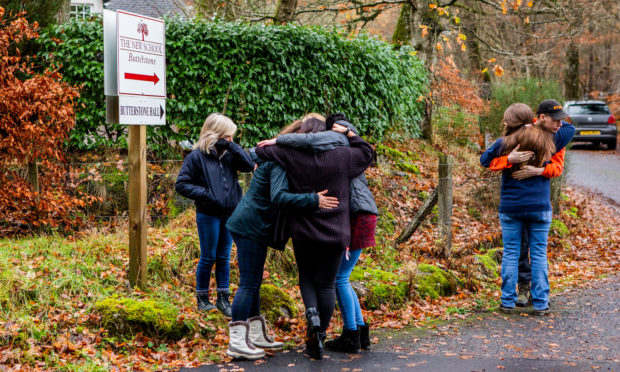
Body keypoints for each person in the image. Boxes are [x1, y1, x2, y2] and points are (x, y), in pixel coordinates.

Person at [255, 118, 374, 359]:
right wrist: (350, 134)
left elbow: (261, 150)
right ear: (327, 136)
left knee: (307, 277)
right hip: (336, 231)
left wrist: (281, 140)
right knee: (328, 284)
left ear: (302, 135)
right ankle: (319, 336)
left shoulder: (289, 154)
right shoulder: (343, 156)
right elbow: (366, 153)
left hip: (304, 229)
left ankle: (311, 313)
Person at [224, 121, 340, 360]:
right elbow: (279, 196)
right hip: (250, 226)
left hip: (253, 226)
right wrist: (313, 200)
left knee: (254, 284)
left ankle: (255, 335)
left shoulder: (283, 158)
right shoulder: (281, 161)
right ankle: (236, 342)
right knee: (248, 284)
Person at [480, 102, 574, 316]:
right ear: (535, 117)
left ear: (510, 122)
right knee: (539, 253)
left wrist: (507, 159)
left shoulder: (503, 143)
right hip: (539, 207)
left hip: (511, 207)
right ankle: (541, 304)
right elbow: (570, 129)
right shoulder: (549, 140)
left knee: (511, 253)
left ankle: (507, 302)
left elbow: (484, 160)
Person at [175, 113, 254, 317]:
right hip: (208, 214)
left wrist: (232, 147)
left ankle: (223, 299)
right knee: (209, 256)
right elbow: (181, 184)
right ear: (216, 134)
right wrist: (207, 195)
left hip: (230, 214)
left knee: (224, 257)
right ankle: (202, 298)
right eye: (228, 136)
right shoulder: (196, 157)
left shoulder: (230, 155)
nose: (231, 140)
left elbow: (248, 165)